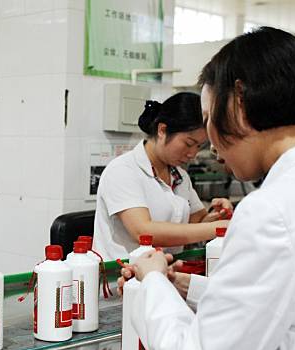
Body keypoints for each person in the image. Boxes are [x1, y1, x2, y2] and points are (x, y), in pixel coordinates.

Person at [124, 27, 295, 350]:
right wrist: (192, 288)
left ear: (238, 103)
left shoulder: (272, 209)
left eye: (209, 120)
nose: (212, 147)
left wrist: (152, 282)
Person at [93, 92, 231, 261]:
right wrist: (218, 228)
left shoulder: (180, 176)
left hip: (165, 273)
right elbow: (143, 231)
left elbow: (197, 222)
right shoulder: (123, 170)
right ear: (162, 130)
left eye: (199, 146)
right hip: (121, 279)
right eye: (188, 143)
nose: (192, 154)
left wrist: (216, 216)